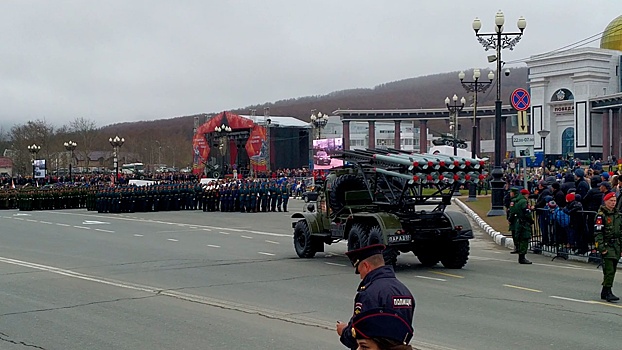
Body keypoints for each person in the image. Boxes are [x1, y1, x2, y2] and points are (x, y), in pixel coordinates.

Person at [336, 244, 415, 349]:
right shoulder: (404, 290)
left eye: (359, 271)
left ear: (366, 266)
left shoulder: (369, 293)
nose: (360, 277)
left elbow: (362, 333)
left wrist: (344, 332)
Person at [594, 192, 622, 302]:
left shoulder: (617, 215)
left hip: (616, 245)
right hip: (607, 245)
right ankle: (608, 291)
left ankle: (605, 291)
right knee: (609, 270)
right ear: (606, 201)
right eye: (611, 201)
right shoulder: (601, 215)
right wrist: (601, 248)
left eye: (614, 201)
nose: (613, 203)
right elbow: (598, 233)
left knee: (613, 269)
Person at [508, 188, 534, 264]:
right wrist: (531, 220)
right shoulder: (523, 202)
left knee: (519, 238)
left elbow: (512, 211)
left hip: (517, 222)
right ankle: (522, 257)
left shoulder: (516, 201)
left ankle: (520, 255)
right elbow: (526, 213)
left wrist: (510, 219)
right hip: (523, 222)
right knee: (524, 238)